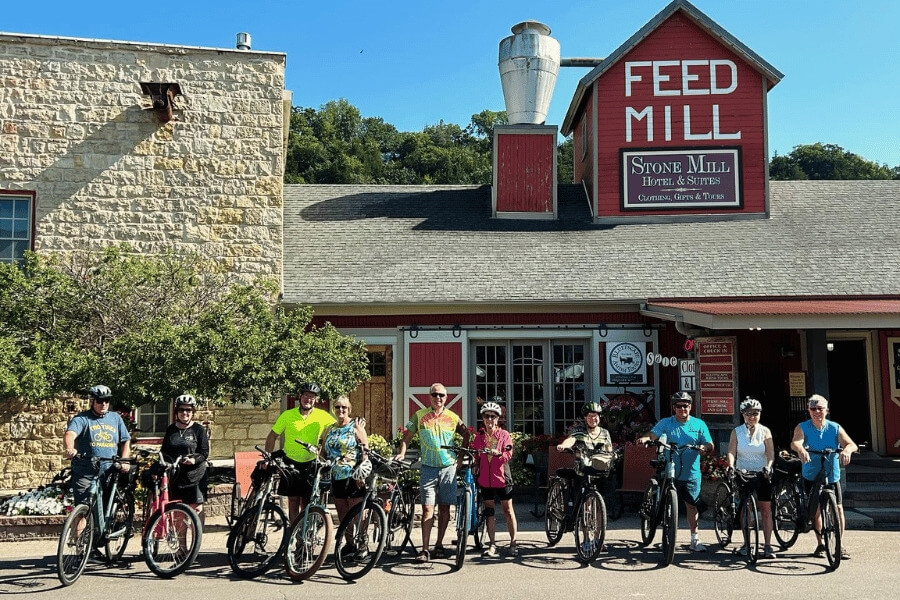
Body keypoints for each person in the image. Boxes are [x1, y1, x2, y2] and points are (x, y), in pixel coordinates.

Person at [395, 382, 470, 563]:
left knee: (445, 507)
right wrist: (402, 453)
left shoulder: (453, 417)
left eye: (441, 395)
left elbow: (467, 434)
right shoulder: (420, 416)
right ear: (429, 396)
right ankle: (424, 549)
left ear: (446, 397)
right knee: (428, 508)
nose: (438, 398)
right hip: (428, 467)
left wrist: (460, 457)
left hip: (448, 467)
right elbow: (406, 436)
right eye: (435, 395)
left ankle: (438, 545)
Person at [637, 391, 714, 552]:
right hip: (669, 469)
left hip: (691, 473)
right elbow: (653, 434)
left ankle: (695, 539)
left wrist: (704, 447)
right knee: (666, 502)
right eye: (678, 406)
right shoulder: (666, 422)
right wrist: (646, 438)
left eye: (685, 406)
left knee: (691, 505)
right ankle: (663, 526)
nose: (682, 409)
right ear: (674, 408)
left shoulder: (699, 425)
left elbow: (709, 444)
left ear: (690, 407)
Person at [790, 394, 857, 560]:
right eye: (813, 409)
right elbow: (795, 442)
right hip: (811, 474)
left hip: (831, 474)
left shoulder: (835, 427)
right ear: (809, 410)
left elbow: (851, 443)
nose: (817, 412)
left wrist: (847, 450)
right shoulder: (802, 427)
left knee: (838, 508)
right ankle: (820, 544)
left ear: (826, 410)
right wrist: (801, 450)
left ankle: (839, 545)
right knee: (817, 510)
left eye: (820, 408)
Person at [265, 382, 335, 522]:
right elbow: (273, 435)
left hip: (311, 464)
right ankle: (293, 534)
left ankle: (303, 535)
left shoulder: (323, 416)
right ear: (300, 397)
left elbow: (339, 425)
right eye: (305, 396)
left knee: (306, 502)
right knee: (293, 501)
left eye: (312, 397)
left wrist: (356, 423)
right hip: (290, 463)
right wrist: (268, 456)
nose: (308, 399)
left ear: (315, 400)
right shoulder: (287, 415)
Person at [63, 385, 132, 506]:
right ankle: (81, 524)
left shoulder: (115, 418)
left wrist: (124, 460)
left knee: (107, 508)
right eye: (100, 401)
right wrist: (70, 447)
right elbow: (70, 434)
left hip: (108, 471)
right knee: (83, 506)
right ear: (92, 401)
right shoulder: (82, 419)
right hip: (85, 471)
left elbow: (125, 440)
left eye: (107, 400)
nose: (104, 404)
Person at [726, 397, 776, 558]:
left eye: (755, 413)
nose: (752, 416)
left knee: (766, 509)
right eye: (748, 414)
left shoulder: (765, 431)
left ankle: (768, 546)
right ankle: (746, 544)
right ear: (743, 415)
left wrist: (768, 466)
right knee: (746, 509)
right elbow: (731, 451)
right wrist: (731, 465)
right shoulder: (737, 432)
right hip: (744, 472)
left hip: (762, 472)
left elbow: (770, 453)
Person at [319, 395, 369, 553]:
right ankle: (350, 543)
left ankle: (362, 544)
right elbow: (323, 452)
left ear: (349, 410)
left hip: (353, 474)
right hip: (336, 476)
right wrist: (319, 464)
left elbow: (364, 449)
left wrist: (362, 473)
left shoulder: (356, 425)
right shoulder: (330, 428)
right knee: (343, 514)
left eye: (344, 408)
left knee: (357, 513)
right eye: (338, 407)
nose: (340, 410)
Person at [471, 399, 518, 558]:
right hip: (485, 479)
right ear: (483, 419)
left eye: (493, 416)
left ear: (498, 419)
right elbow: (475, 454)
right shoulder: (479, 436)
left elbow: (509, 453)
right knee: (490, 512)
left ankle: (513, 542)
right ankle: (492, 544)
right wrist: (475, 464)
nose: (489, 420)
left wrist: (501, 455)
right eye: (486, 416)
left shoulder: (504, 435)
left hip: (502, 478)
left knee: (507, 511)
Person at [160, 394, 209, 524]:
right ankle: (182, 545)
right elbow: (164, 452)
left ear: (193, 412)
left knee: (196, 509)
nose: (185, 413)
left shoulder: (198, 430)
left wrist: (194, 460)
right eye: (181, 410)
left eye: (188, 410)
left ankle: (196, 540)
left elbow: (204, 453)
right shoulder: (171, 430)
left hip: (195, 476)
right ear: (177, 412)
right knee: (178, 512)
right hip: (177, 476)